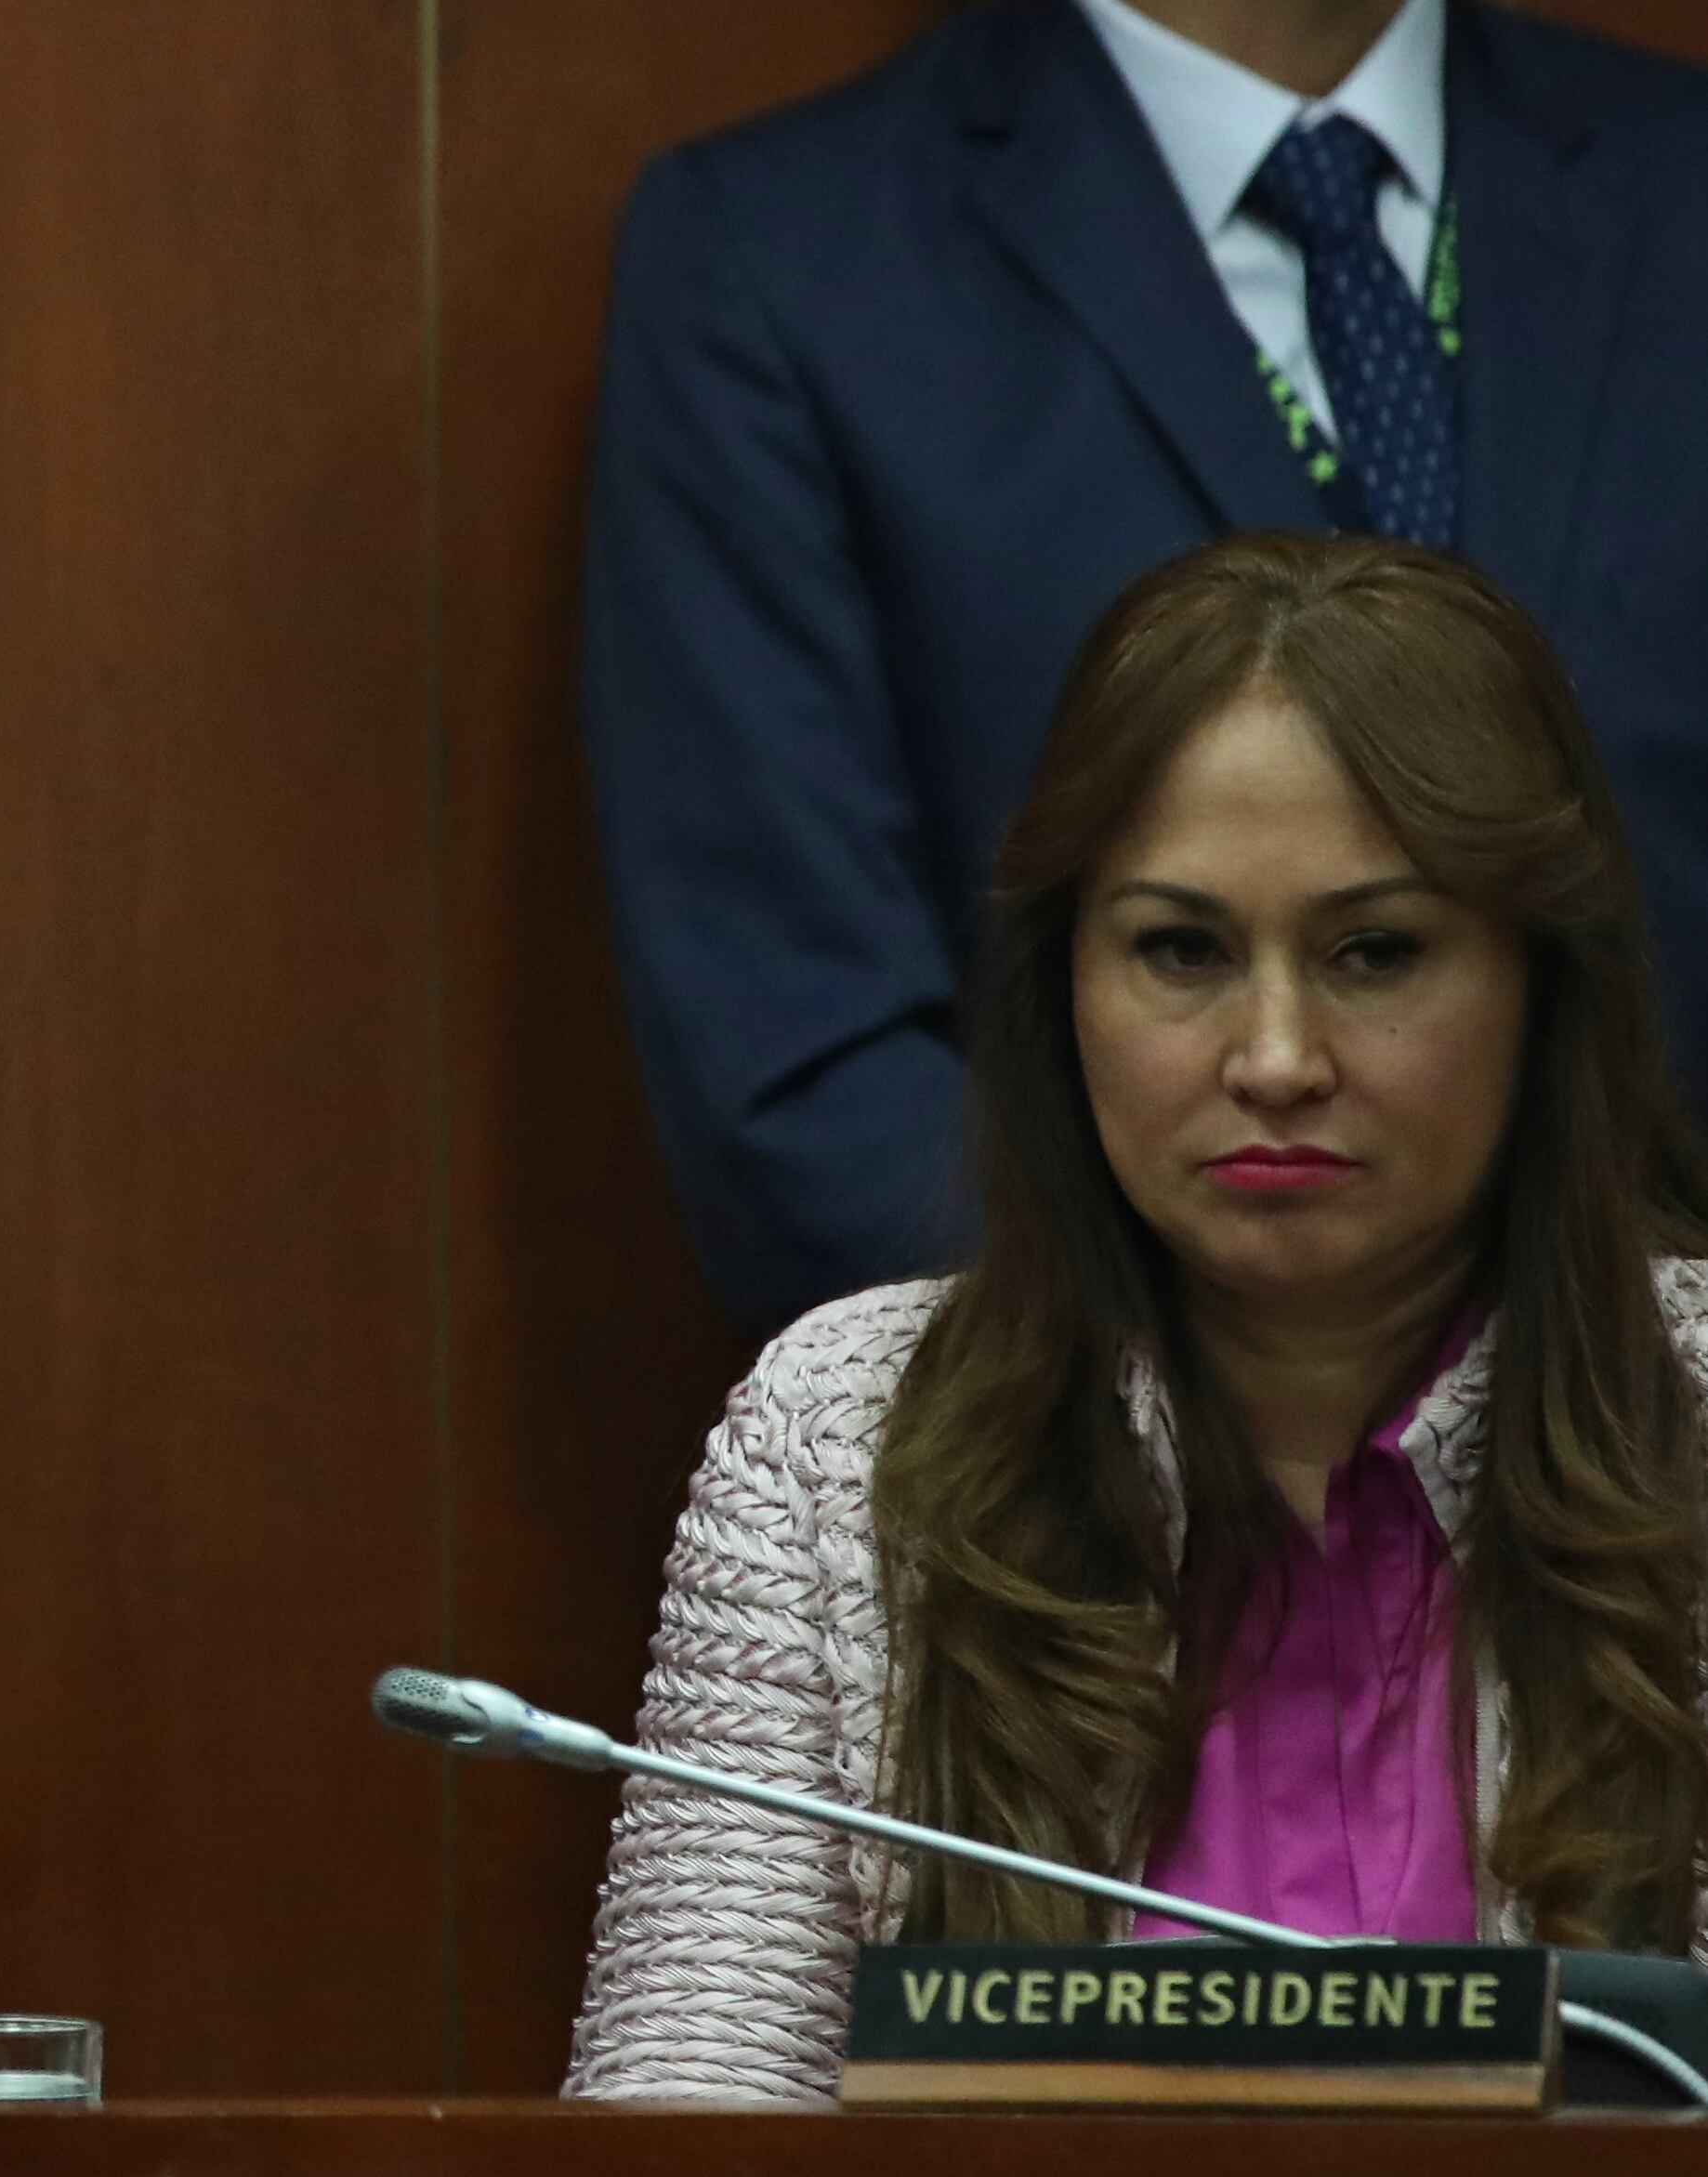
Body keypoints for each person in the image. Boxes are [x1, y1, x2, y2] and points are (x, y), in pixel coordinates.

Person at [572, 535, 1708, 2104]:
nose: (1275, 1058)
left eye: (1374, 953)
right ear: (1063, 988)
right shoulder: (835, 1439)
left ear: (1539, 986)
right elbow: (682, 2149)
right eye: (1181, 950)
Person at [584, 0, 1708, 1332]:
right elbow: (794, 1035)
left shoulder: (1676, 181)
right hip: (1081, 1404)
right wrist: (1237, 1412)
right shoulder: (786, 252)